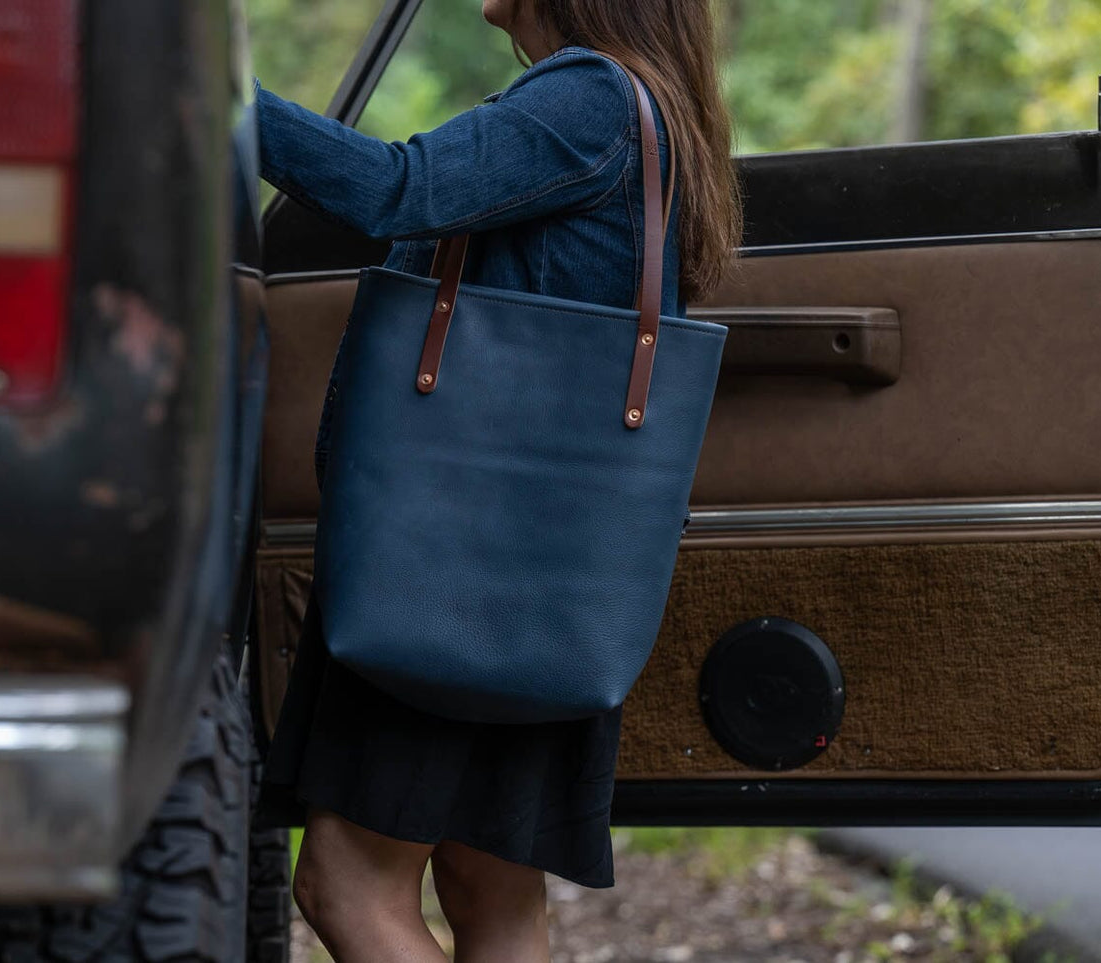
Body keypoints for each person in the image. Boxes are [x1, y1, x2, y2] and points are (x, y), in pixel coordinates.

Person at [250, 1, 742, 960]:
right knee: (489, 888)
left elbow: (394, 189)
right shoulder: (641, 101)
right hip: (540, 579)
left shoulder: (589, 96)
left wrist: (206, 88)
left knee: (347, 885)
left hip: (445, 572)